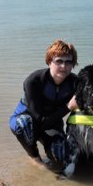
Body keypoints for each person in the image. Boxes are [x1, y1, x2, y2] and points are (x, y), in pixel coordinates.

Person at [9, 39, 79, 167]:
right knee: (24, 124)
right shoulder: (33, 81)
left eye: (68, 62)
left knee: (61, 158)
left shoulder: (75, 82)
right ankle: (35, 159)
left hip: (52, 124)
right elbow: (39, 120)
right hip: (29, 120)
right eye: (59, 61)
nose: (64, 66)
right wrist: (69, 106)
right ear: (49, 62)